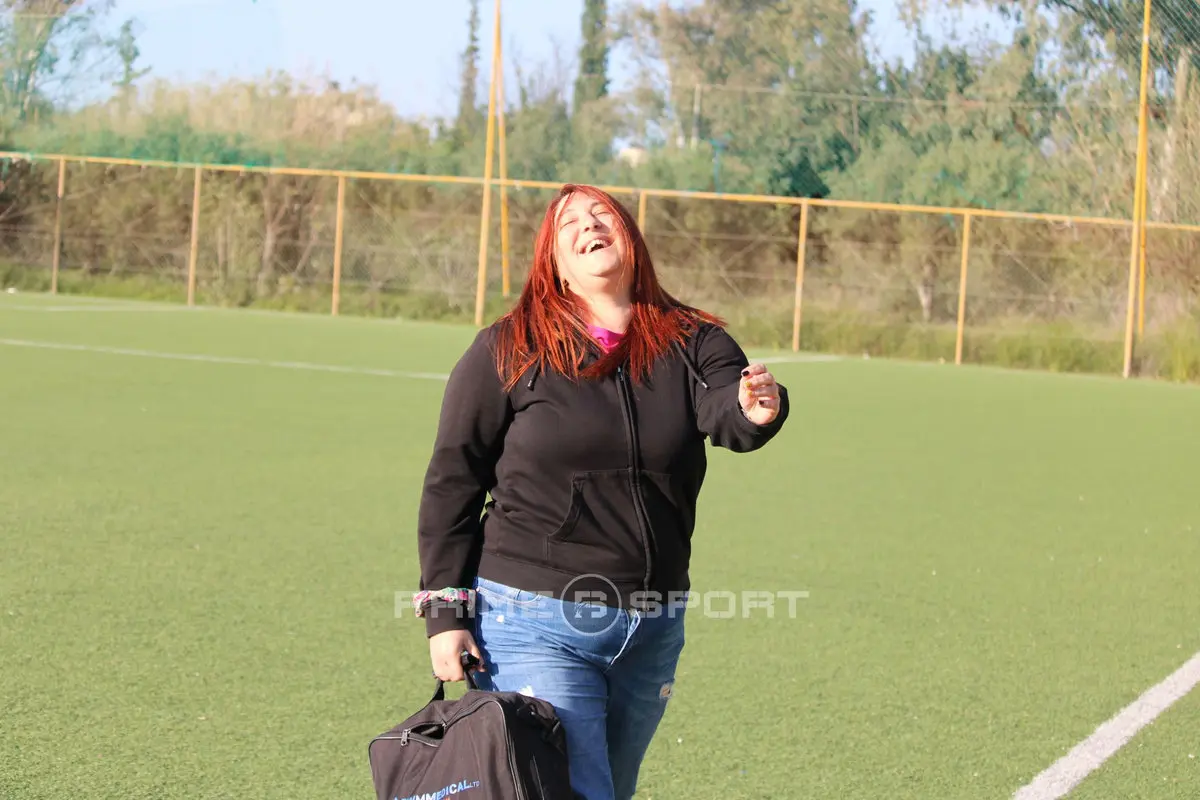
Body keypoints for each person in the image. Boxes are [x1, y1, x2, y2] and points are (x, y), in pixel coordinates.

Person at [412, 183, 789, 800]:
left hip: (652, 625)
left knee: (607, 788)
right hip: (530, 617)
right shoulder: (508, 348)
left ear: (630, 235)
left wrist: (755, 407)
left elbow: (726, 409)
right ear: (554, 263)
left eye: (601, 214)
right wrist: (444, 614)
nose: (589, 226)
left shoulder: (694, 341)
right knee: (577, 791)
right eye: (569, 225)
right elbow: (453, 481)